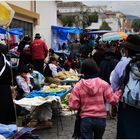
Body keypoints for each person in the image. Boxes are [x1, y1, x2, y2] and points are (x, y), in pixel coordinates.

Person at [69, 58, 122, 139]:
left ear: (83, 70)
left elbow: (73, 106)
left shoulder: (78, 86)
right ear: (95, 68)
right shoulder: (103, 84)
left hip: (85, 120)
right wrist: (119, 92)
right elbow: (112, 100)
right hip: (100, 120)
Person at [110, 34, 140, 139]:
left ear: (127, 50)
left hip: (127, 105)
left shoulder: (122, 64)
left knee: (127, 133)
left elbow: (114, 84)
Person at [0, 44, 16, 124]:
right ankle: (5, 121)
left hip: (4, 85)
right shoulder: (3, 59)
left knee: (5, 103)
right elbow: (5, 72)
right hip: (3, 85)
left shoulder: (4, 58)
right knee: (4, 103)